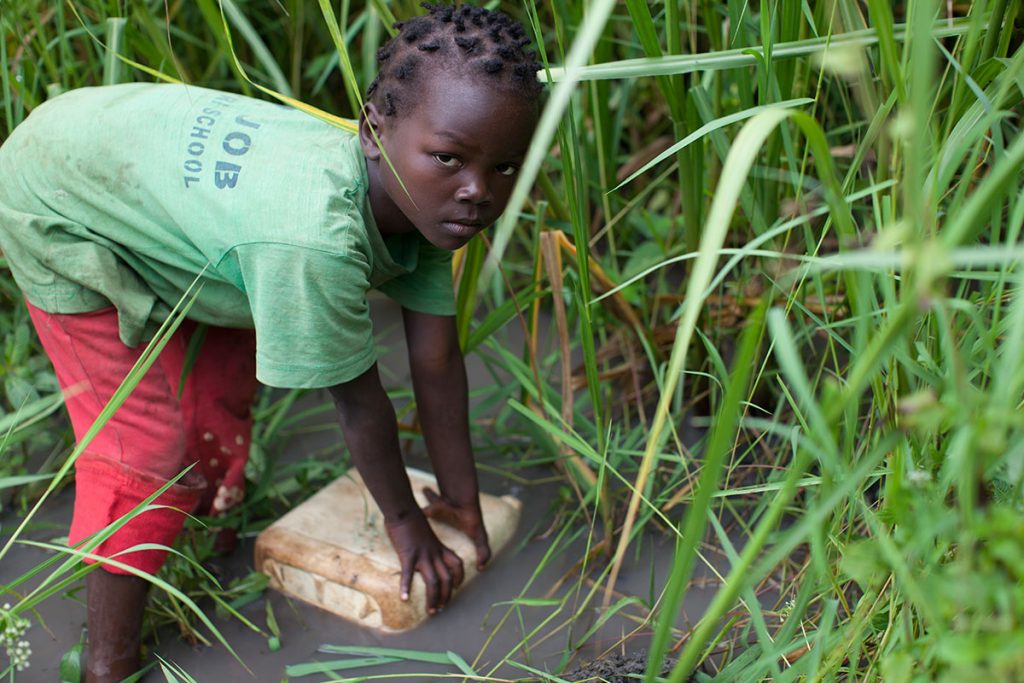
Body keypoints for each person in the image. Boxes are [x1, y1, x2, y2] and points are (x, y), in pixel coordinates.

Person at [0, 2, 541, 680]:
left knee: (224, 380)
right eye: (452, 159)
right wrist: (405, 524)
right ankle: (107, 660)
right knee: (141, 455)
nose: (477, 193)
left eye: (504, 170)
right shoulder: (315, 238)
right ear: (375, 131)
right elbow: (358, 401)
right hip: (56, 193)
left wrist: (462, 495)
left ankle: (206, 531)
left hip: (153, 170)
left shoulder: (429, 195)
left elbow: (434, 359)